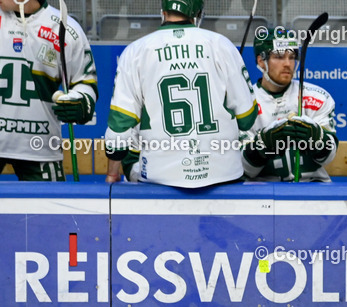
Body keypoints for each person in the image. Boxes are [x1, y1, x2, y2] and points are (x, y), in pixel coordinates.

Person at [104, 0, 257, 187]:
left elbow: (119, 130)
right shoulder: (222, 45)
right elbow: (247, 118)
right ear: (198, 12)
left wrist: (112, 173)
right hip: (223, 174)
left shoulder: (136, 51)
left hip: (160, 177)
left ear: (163, 11)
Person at [0, 0, 97, 180]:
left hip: (40, 147)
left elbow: (85, 81)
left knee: (49, 207)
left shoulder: (64, 27)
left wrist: (81, 102)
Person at [241, 27, 337, 182]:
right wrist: (263, 146)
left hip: (314, 192)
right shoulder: (244, 102)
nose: (287, 64)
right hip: (262, 195)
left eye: (292, 57)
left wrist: (317, 138)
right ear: (261, 61)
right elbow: (244, 168)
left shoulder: (318, 97)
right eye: (279, 57)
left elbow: (328, 157)